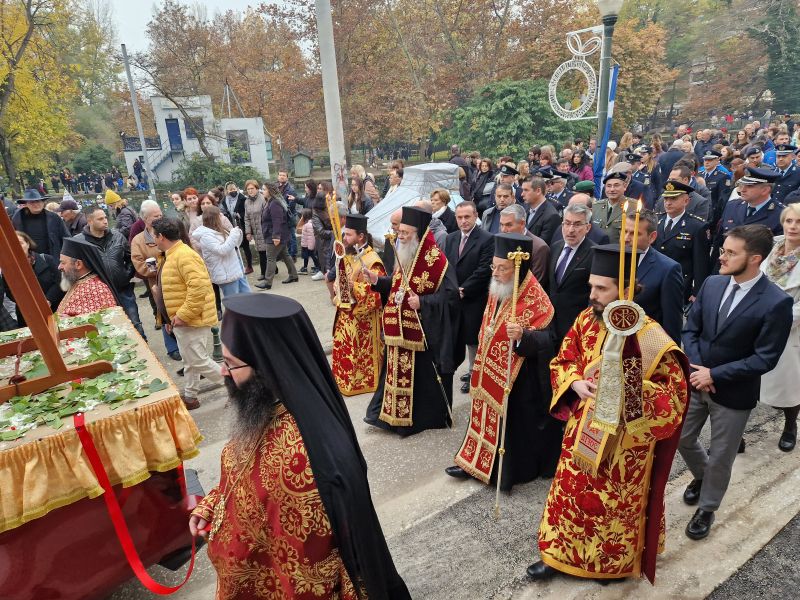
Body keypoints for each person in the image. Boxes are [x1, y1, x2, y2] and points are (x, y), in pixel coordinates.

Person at [189, 293, 410, 599]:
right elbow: (242, 473)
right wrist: (213, 505)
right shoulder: (261, 409)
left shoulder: (304, 464)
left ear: (266, 367)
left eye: (230, 364)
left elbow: (308, 578)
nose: (223, 373)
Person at [528, 244, 689, 583]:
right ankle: (558, 556)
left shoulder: (652, 339)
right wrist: (574, 383)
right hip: (581, 431)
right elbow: (564, 359)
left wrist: (627, 384)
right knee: (570, 494)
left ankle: (609, 565)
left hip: (625, 446)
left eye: (601, 288)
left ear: (625, 291)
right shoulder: (587, 319)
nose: (593, 295)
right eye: (591, 286)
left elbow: (673, 401)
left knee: (612, 507)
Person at [680, 225, 793, 540]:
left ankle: (708, 508)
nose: (722, 256)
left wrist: (714, 375)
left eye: (731, 252)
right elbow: (692, 328)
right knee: (683, 440)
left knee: (721, 455)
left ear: (754, 258)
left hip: (733, 392)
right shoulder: (712, 284)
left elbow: (765, 358)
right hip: (695, 380)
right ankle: (702, 476)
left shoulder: (775, 302)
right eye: (723, 249)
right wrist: (698, 366)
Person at [447, 232, 560, 489]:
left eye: (503, 268)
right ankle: (474, 461)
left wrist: (524, 337)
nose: (496, 273)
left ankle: (502, 470)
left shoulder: (536, 299)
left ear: (518, 268)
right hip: (489, 369)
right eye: (493, 267)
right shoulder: (499, 288)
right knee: (482, 415)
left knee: (510, 429)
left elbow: (550, 341)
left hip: (519, 380)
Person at [363, 206, 460, 436]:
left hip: (423, 331)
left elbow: (451, 296)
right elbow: (398, 286)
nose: (401, 236)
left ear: (419, 232)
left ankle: (416, 420)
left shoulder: (436, 259)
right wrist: (377, 280)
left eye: (405, 232)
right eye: (400, 231)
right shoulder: (405, 253)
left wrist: (423, 303)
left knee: (419, 381)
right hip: (398, 328)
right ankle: (391, 418)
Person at [152, 217, 225, 410]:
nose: (152, 239)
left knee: (197, 360)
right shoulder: (171, 254)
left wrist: (183, 315)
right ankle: (191, 397)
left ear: (161, 236)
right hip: (183, 319)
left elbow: (199, 288)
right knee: (190, 359)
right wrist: (168, 318)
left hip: (192, 319)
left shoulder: (183, 255)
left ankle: (240, 386)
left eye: (153, 235)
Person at [329, 214, 386, 396]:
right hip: (346, 314)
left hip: (363, 319)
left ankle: (361, 382)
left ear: (360, 236)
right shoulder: (350, 254)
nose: (344, 239)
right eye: (344, 235)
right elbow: (342, 277)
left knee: (359, 355)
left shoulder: (372, 260)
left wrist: (354, 286)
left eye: (348, 235)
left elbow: (377, 293)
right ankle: (344, 379)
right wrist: (339, 285)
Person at [760, 205, 800, 451]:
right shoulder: (772, 248)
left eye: (798, 222)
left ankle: (790, 425)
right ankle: (736, 432)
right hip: (759, 323)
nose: (793, 227)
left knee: (789, 381)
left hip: (790, 327)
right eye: (789, 221)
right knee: (751, 379)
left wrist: (780, 317)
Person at [444, 201, 494, 394]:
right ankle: (464, 368)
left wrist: (464, 289)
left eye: (467, 217)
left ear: (475, 217)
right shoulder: (451, 238)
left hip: (474, 297)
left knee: (473, 338)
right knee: (458, 335)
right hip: (454, 296)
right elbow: (447, 266)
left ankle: (475, 373)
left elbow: (483, 270)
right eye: (460, 217)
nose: (463, 221)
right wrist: (451, 289)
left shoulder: (487, 238)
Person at [73, 207, 146, 340]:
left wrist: (126, 274)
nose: (105, 221)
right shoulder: (79, 242)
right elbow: (74, 267)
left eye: (105, 217)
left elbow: (131, 257)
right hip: (99, 294)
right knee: (108, 328)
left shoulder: (117, 236)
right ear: (89, 221)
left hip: (123, 289)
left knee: (135, 324)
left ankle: (147, 354)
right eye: (100, 219)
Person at [130, 201, 182, 362]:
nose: (160, 218)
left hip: (176, 279)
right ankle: (172, 347)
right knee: (162, 313)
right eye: (155, 216)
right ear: (145, 219)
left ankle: (183, 345)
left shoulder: (169, 230)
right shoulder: (138, 240)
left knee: (179, 310)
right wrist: (154, 269)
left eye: (160, 215)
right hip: (156, 283)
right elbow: (138, 263)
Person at [624, 208, 685, 343]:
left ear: (652, 237)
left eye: (634, 234)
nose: (626, 238)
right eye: (624, 231)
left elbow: (672, 321)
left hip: (644, 346)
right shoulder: (612, 259)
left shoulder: (667, 269)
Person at [711, 167, 785, 270]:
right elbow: (718, 242)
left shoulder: (781, 215)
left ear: (765, 190)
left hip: (755, 273)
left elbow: (778, 254)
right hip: (726, 270)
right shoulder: (732, 206)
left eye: (749, 186)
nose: (742, 190)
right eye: (742, 185)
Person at [655, 180, 711, 304]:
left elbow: (700, 262)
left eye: (673, 199)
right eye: (666, 199)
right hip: (655, 281)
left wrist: (698, 292)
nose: (668, 203)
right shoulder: (656, 221)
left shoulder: (696, 226)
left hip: (680, 284)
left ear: (686, 201)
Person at [547, 204, 596, 340]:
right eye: (567, 223)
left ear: (588, 227)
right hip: (549, 324)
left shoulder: (594, 253)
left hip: (575, 326)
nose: (570, 230)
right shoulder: (555, 247)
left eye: (577, 225)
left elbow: (594, 296)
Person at [5, 231, 63, 325]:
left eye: (20, 243)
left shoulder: (46, 259)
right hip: (28, 313)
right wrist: (28, 303)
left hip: (54, 308)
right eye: (12, 243)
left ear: (28, 243)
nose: (17, 246)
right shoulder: (8, 268)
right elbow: (9, 291)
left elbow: (60, 282)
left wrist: (48, 300)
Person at [192, 206, 250, 298]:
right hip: (226, 275)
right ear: (214, 218)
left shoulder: (219, 228)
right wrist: (233, 235)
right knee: (234, 302)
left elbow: (235, 246)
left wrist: (238, 233)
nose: (222, 216)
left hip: (236, 270)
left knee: (247, 296)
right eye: (220, 215)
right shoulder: (205, 236)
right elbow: (222, 250)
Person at [56, 237, 119, 317]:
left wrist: (71, 321)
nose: (59, 267)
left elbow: (106, 321)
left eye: (63, 263)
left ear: (78, 264)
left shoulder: (97, 289)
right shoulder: (78, 281)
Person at [256, 182, 298, 290]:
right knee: (285, 255)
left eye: (264, 189)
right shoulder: (271, 201)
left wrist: (276, 236)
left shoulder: (274, 203)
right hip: (278, 234)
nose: (262, 191)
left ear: (270, 191)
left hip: (274, 236)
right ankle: (294, 276)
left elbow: (277, 221)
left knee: (270, 258)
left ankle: (267, 282)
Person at [12, 189, 69, 260]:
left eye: (38, 201)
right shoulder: (18, 218)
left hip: (53, 259)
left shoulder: (54, 218)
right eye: (32, 202)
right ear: (26, 204)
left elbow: (66, 238)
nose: (36, 204)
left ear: (43, 202)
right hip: (29, 260)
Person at [498, 204, 549, 283]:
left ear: (522, 224)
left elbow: (536, 284)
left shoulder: (538, 248)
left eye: (508, 225)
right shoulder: (501, 241)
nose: (503, 230)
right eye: (501, 224)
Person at [243, 179, 269, 281]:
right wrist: (248, 232)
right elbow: (246, 218)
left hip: (264, 229)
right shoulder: (247, 202)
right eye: (248, 189)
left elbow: (267, 215)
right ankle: (273, 269)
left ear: (257, 189)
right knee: (262, 251)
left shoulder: (263, 199)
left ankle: (263, 273)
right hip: (255, 230)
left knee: (263, 252)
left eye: (252, 188)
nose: (250, 191)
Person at [522, 177, 561, 245]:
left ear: (538, 191)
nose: (522, 194)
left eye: (526, 190)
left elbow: (543, 246)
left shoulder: (551, 216)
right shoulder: (526, 208)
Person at [298, 208, 321, 275]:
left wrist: (311, 247)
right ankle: (305, 268)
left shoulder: (309, 225)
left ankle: (317, 268)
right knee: (305, 257)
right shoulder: (307, 224)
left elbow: (311, 237)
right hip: (305, 245)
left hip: (309, 246)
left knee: (314, 257)